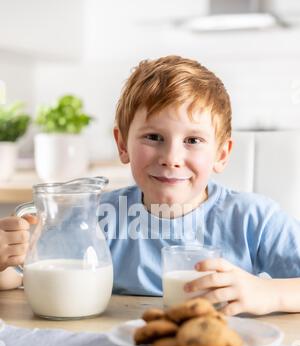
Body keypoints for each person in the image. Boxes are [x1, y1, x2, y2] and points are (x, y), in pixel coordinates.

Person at [1, 55, 300, 316]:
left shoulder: (255, 220)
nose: (171, 158)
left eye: (193, 140)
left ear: (221, 154)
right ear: (122, 144)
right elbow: (20, 277)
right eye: (154, 137)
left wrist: (266, 292)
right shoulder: (96, 218)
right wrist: (5, 257)